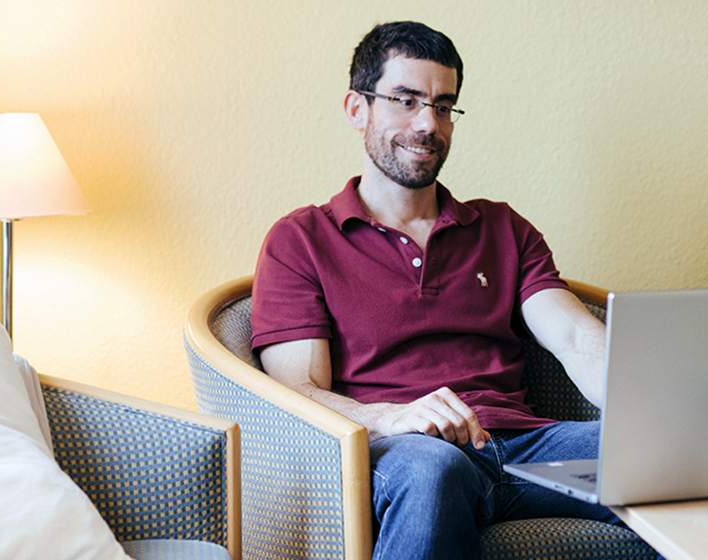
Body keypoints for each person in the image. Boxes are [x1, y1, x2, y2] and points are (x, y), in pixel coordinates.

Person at [250, 20, 626, 560]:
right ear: (358, 109)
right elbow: (296, 396)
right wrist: (392, 418)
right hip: (407, 453)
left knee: (676, 455)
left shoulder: (502, 230)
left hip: (527, 451)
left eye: (443, 106)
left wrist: (659, 409)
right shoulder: (302, 240)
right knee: (433, 467)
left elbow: (574, 337)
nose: (428, 123)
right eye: (405, 100)